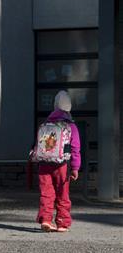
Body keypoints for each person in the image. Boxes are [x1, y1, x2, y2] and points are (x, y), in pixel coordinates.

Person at [37, 90, 81, 232]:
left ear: (55, 106)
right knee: (63, 193)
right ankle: (62, 222)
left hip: (44, 163)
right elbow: (75, 149)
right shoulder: (71, 126)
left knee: (46, 192)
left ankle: (46, 219)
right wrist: (75, 168)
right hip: (62, 164)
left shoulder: (45, 124)